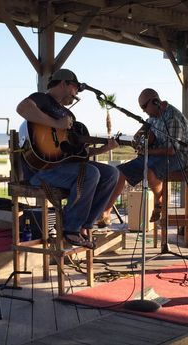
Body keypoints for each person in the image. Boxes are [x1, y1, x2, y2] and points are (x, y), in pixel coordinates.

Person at [16, 68, 119, 249]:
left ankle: (85, 225)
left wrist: (103, 148)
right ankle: (70, 228)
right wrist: (55, 123)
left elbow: (76, 155)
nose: (77, 93)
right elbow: (22, 108)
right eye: (75, 88)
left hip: (64, 168)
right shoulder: (41, 99)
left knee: (111, 173)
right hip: (42, 170)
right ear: (64, 83)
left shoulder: (69, 116)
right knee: (90, 173)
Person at [98, 88, 188, 227]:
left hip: (178, 157)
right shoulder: (153, 117)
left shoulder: (172, 118)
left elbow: (172, 150)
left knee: (150, 170)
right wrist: (139, 136)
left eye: (144, 107)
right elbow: (146, 129)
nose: (143, 111)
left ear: (155, 102)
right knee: (119, 172)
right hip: (155, 155)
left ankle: (159, 201)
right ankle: (106, 212)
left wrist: (147, 151)